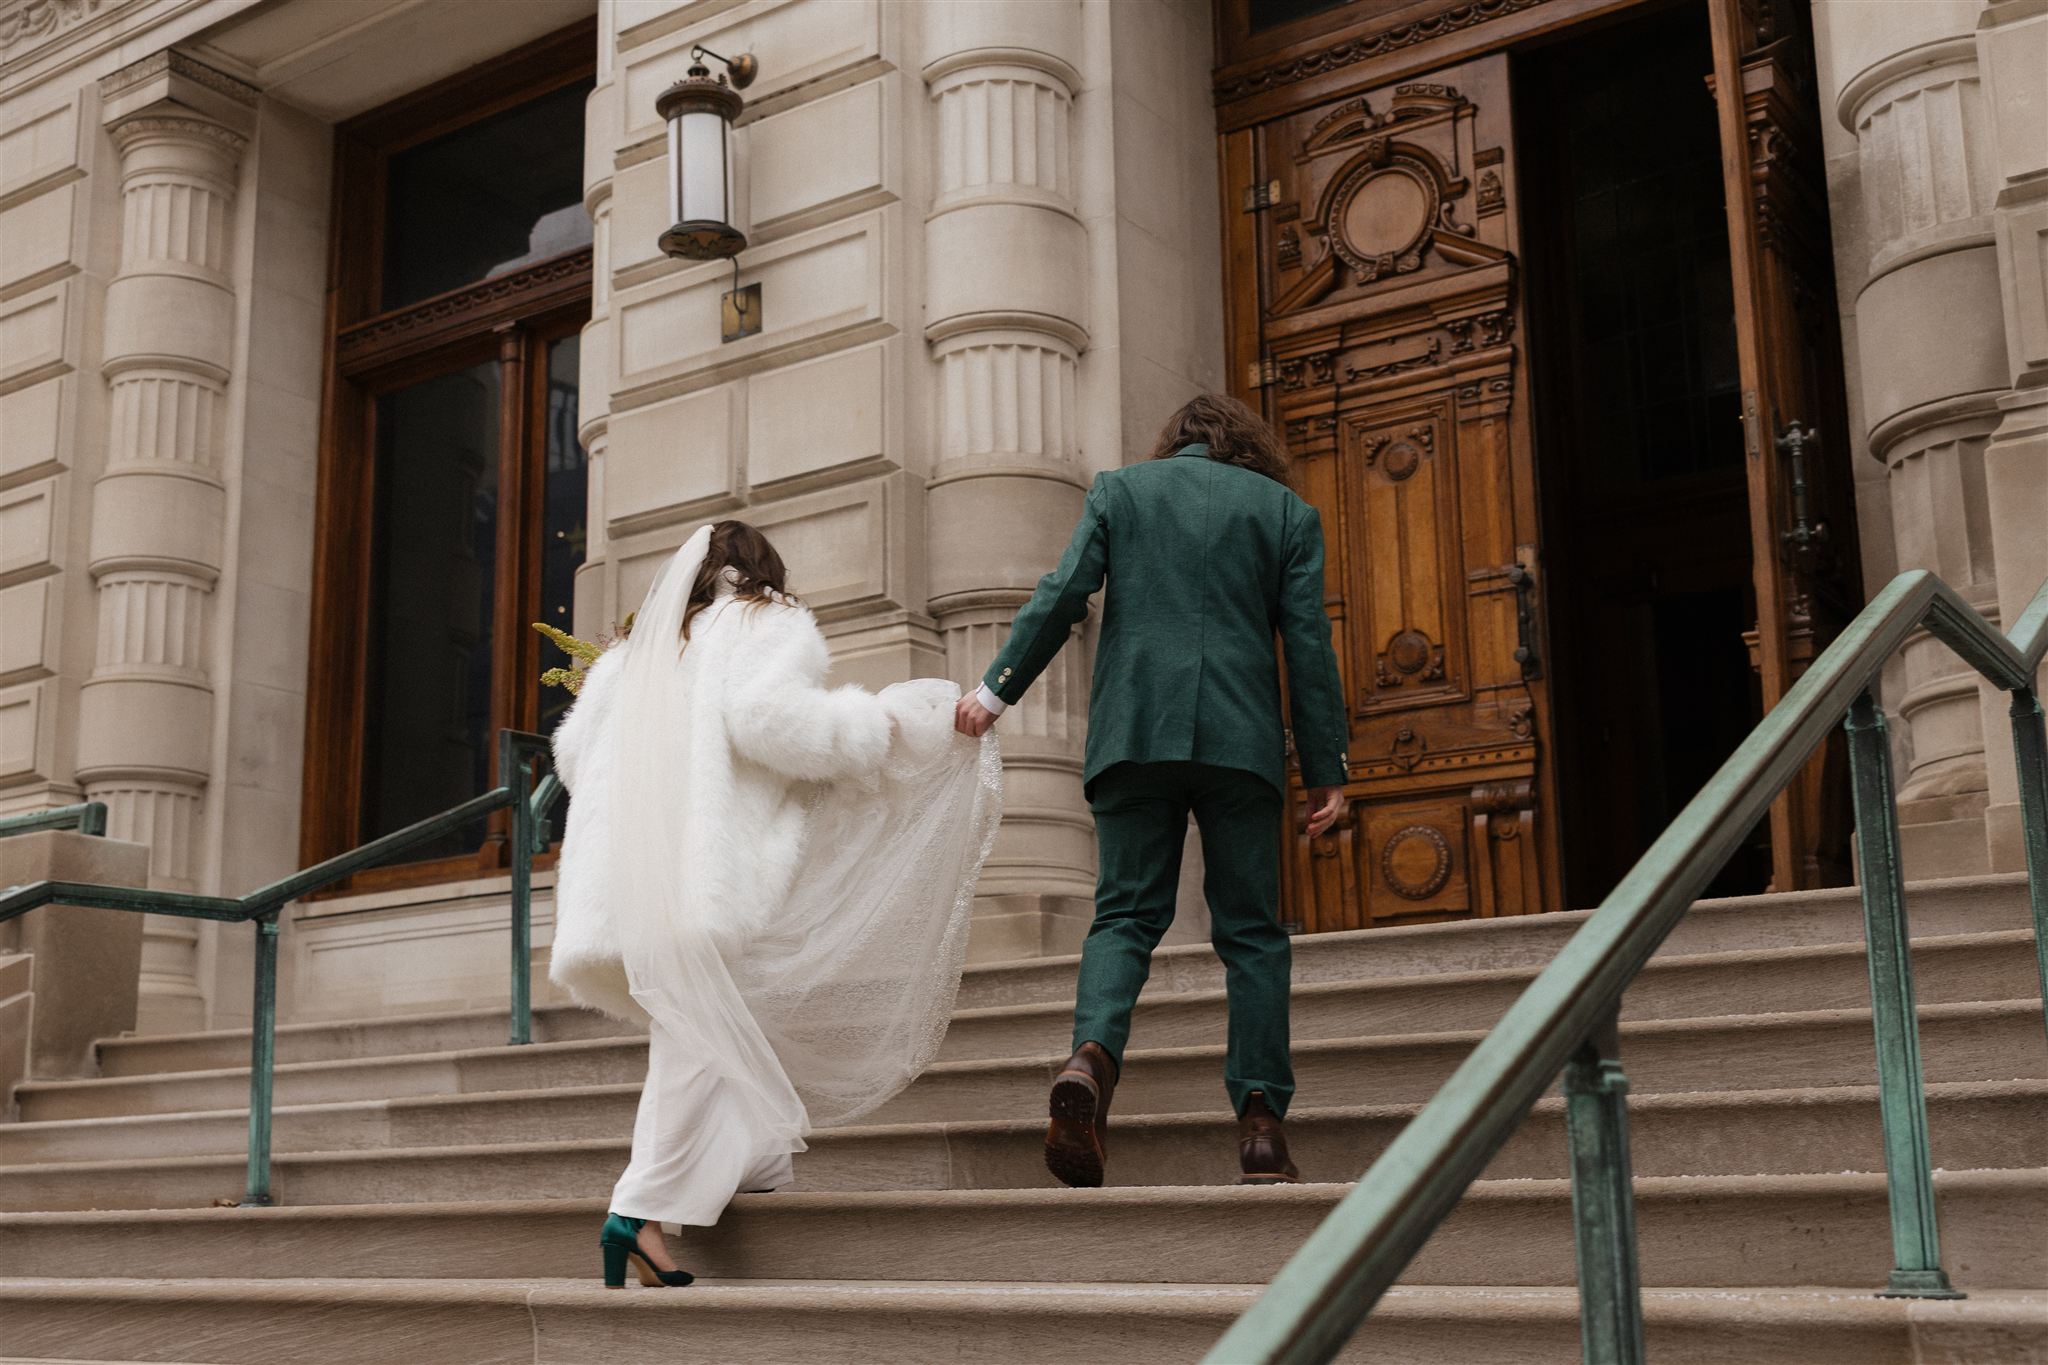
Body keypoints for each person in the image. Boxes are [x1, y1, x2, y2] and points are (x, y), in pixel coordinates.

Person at [551, 520, 1002, 1288]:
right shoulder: (764, 622)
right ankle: (637, 1207)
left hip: (629, 883)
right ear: (761, 572)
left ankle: (744, 1162)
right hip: (709, 874)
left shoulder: (632, 657)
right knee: (698, 1030)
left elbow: (571, 758)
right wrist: (876, 727)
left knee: (710, 1021)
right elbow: (771, 724)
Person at [954, 393, 1348, 1188]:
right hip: (1239, 744)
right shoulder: (1285, 513)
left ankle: (1092, 1061)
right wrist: (1326, 770)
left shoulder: (1120, 491)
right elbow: (1307, 644)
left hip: (1134, 733)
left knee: (1126, 915)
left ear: (1175, 443)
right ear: (1247, 449)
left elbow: (1064, 593)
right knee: (1252, 932)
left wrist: (995, 692)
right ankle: (1263, 1123)